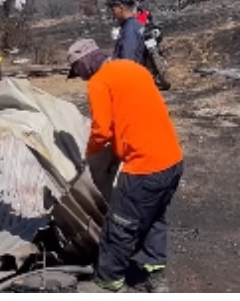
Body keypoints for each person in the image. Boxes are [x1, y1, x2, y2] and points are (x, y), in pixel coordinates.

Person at [66, 39, 183, 293]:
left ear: (85, 62)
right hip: (172, 161)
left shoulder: (99, 82)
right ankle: (153, 273)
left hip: (144, 167)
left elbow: (101, 131)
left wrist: (89, 157)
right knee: (153, 218)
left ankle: (108, 283)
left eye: (78, 71)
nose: (81, 78)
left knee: (119, 226)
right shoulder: (134, 68)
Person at [108, 0, 147, 67]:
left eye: (113, 10)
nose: (113, 14)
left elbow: (128, 61)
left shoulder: (129, 30)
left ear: (121, 8)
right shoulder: (136, 24)